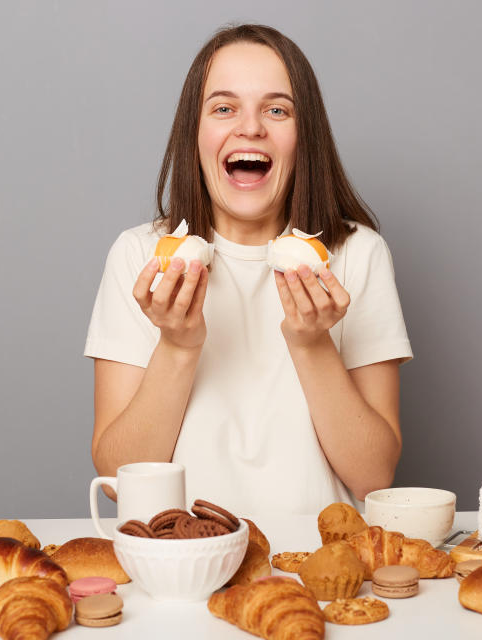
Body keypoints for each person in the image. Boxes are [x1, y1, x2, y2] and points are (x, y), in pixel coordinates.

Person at [84, 24, 412, 515]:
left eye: (277, 110)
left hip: (316, 567)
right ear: (194, 133)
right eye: (223, 108)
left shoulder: (358, 255)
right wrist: (177, 345)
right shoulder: (140, 257)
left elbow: (373, 478)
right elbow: (117, 480)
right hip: (183, 561)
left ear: (306, 137)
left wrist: (312, 343)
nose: (251, 128)